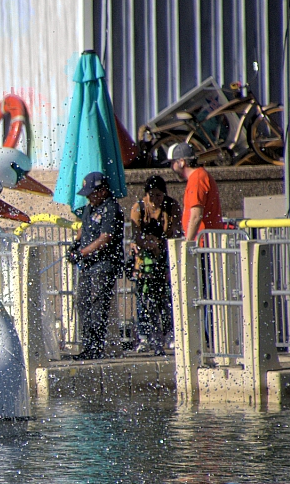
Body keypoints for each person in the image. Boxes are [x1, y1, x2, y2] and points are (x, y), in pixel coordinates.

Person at [67, 171, 125, 360]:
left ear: (103, 190)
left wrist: (82, 252)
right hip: (87, 265)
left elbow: (105, 238)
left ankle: (96, 348)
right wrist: (75, 245)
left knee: (98, 307)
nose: (90, 197)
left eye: (92, 192)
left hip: (104, 265)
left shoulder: (111, 209)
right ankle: (87, 346)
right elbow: (83, 228)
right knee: (82, 304)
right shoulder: (89, 208)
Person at [129, 175, 181, 355]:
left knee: (166, 297)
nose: (155, 200)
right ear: (145, 195)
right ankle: (144, 336)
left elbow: (175, 232)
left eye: (159, 195)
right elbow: (136, 235)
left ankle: (169, 333)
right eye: (152, 196)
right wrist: (148, 244)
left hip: (165, 254)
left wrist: (160, 247)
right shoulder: (139, 207)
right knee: (143, 297)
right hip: (144, 259)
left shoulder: (171, 206)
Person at [168, 141, 224, 241]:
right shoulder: (198, 177)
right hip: (203, 241)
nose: (171, 167)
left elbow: (196, 216)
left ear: (181, 162)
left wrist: (188, 243)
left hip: (203, 243)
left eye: (172, 163)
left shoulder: (197, 179)